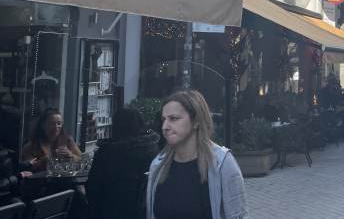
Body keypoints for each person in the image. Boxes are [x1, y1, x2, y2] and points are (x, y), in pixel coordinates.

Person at [146, 90, 248, 219]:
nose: (165, 126)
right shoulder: (158, 165)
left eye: (174, 118)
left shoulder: (221, 164)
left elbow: (238, 215)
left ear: (196, 121)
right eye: (163, 119)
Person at [87, 107, 160, 219]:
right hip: (143, 210)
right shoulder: (151, 149)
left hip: (110, 209)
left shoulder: (106, 153)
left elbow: (93, 187)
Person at [21, 108, 81, 172]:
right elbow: (26, 169)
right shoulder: (31, 145)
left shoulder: (68, 140)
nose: (56, 127)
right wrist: (45, 160)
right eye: (52, 123)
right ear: (43, 125)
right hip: (42, 181)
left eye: (59, 123)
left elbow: (81, 161)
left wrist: (71, 156)